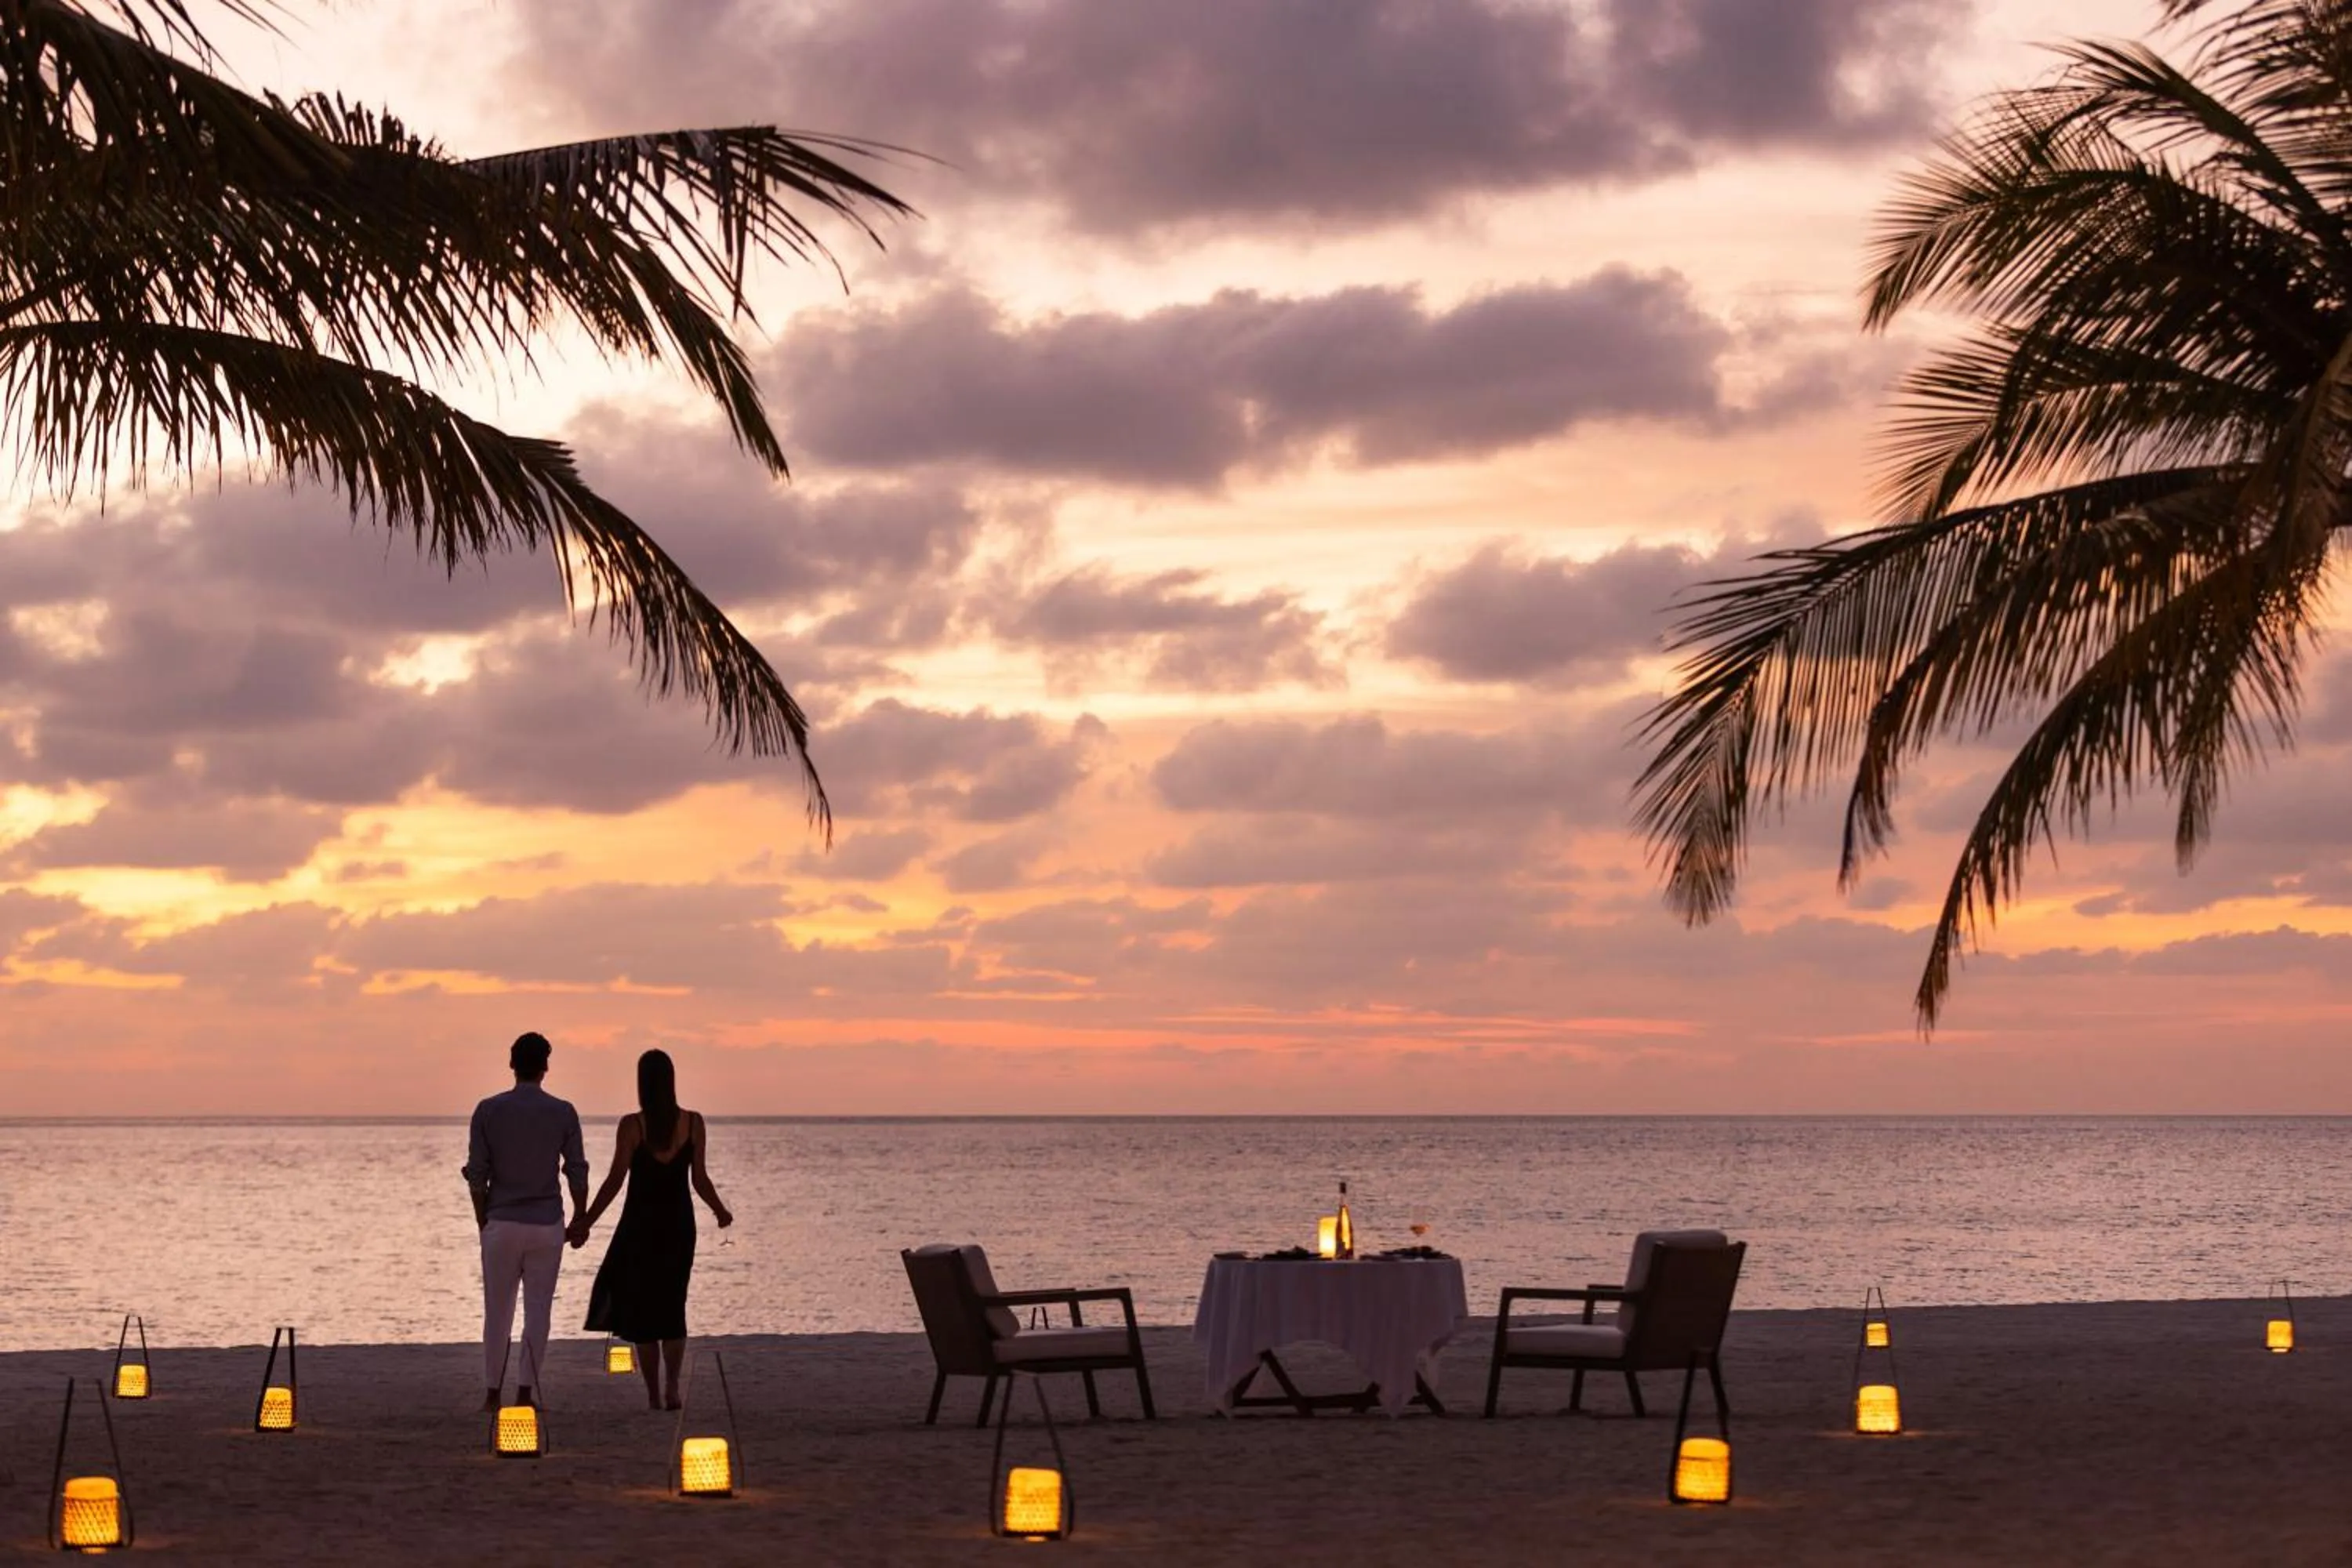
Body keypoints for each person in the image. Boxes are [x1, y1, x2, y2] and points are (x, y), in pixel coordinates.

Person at [572, 1048, 732, 1410]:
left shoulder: (633, 1125)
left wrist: (586, 1222)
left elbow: (615, 1181)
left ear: (642, 1083)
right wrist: (720, 1210)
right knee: (674, 1307)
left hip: (640, 1228)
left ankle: (653, 1394)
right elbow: (700, 1179)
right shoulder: (693, 1123)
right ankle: (673, 1387)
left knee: (645, 1313)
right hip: (678, 1226)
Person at [462, 1031, 588, 1414]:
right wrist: (580, 1216)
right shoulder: (563, 1112)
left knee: (497, 1310)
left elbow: (477, 1175)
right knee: (538, 1312)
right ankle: (525, 1393)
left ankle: (491, 1393)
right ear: (545, 1067)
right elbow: (576, 1171)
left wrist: (482, 1219)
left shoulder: (488, 1110)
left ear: (512, 1064)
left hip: (501, 1221)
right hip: (546, 1224)